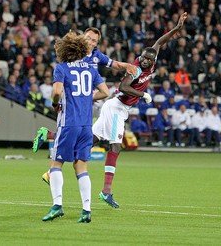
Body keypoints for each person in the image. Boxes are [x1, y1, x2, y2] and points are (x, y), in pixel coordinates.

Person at [34, 12, 188, 208]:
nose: (146, 62)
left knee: (89, 139)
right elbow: (123, 87)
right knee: (115, 145)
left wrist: (177, 28)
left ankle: (49, 137)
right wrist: (143, 95)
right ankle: (106, 191)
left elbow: (159, 41)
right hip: (116, 107)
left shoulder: (149, 57)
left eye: (149, 60)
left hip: (113, 106)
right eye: (143, 59)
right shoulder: (137, 68)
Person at [41, 31, 110, 223]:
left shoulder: (61, 68)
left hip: (68, 122)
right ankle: (86, 210)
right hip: (87, 125)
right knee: (81, 167)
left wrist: (55, 103)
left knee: (55, 164)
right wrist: (87, 97)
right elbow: (105, 92)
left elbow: (56, 91)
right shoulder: (90, 68)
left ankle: (57, 206)